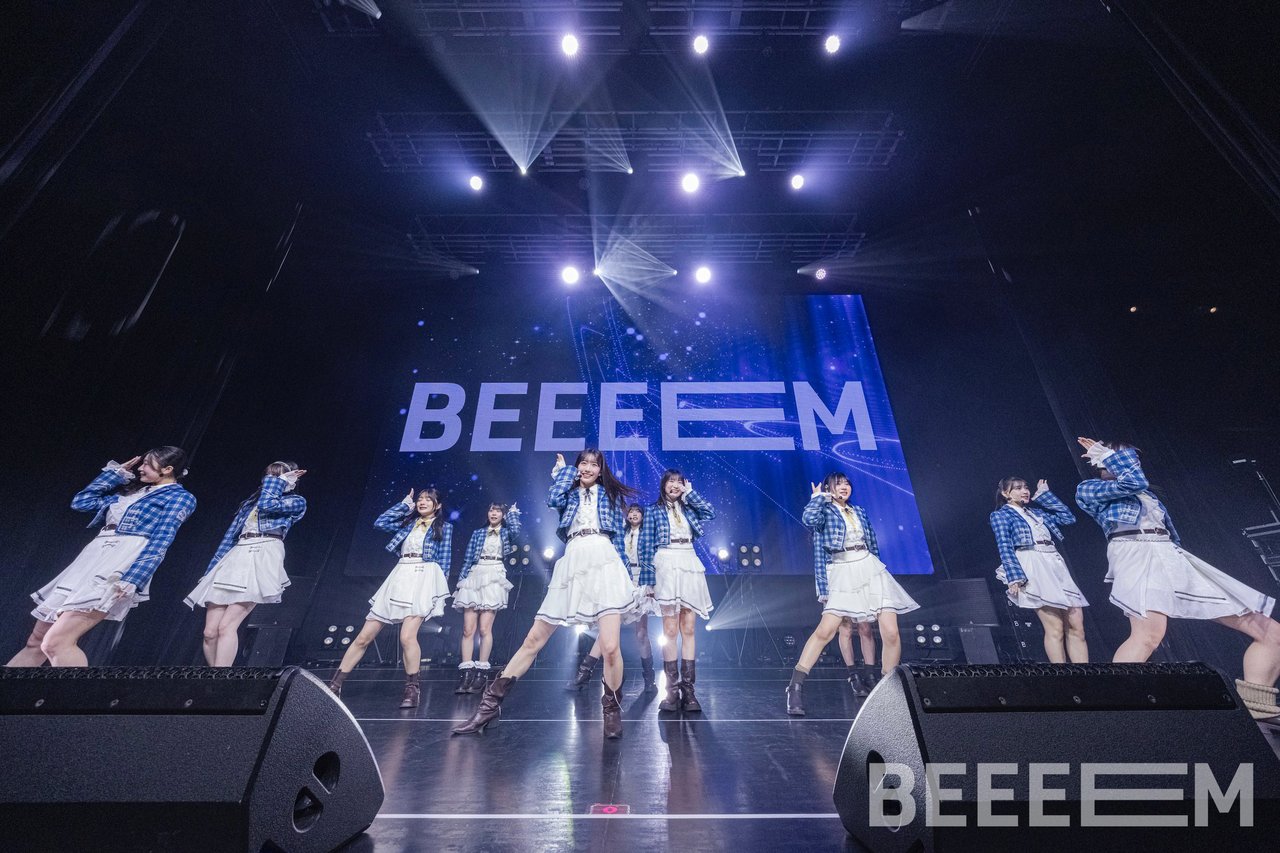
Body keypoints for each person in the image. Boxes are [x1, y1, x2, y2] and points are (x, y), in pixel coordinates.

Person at [1076, 438, 1280, 719]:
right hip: (1135, 552)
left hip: (1169, 554)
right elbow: (1133, 481)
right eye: (1122, 456)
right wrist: (1109, 455)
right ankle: (1118, 709)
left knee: (1271, 633)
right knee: (1148, 636)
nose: (1133, 462)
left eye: (1133, 458)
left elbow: (1163, 522)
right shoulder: (1089, 489)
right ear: (1100, 461)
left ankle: (1256, 710)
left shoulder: (1148, 495)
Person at [453, 450, 639, 739]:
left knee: (611, 646)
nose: (588, 468)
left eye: (594, 464)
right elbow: (553, 500)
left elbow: (617, 539)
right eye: (583, 463)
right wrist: (565, 474)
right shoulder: (567, 492)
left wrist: (628, 576)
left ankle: (612, 709)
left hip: (605, 560)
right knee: (533, 640)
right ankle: (488, 707)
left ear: (601, 470)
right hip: (573, 559)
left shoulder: (609, 496)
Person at [7, 448, 196, 668]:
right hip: (94, 555)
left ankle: (78, 691)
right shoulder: (131, 493)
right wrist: (114, 475)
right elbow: (82, 502)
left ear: (167, 469)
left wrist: (134, 578)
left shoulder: (180, 497)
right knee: (37, 641)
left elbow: (162, 539)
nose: (140, 468)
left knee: (56, 643)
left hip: (121, 560)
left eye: (147, 464)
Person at [785, 472, 918, 716]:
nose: (844, 487)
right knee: (825, 631)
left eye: (846, 483)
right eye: (838, 484)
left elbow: (873, 543)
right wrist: (817, 498)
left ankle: (885, 692)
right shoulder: (824, 510)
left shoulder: (860, 511)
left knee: (891, 631)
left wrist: (879, 569)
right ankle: (795, 686)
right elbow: (808, 519)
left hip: (869, 567)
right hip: (842, 569)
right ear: (829, 489)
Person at [326, 487, 452, 710]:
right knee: (364, 636)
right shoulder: (407, 522)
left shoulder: (444, 527)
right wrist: (404, 505)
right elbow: (380, 523)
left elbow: (445, 561)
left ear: (438, 505)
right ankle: (335, 685)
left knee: (407, 637)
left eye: (428, 499)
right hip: (400, 574)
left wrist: (438, 593)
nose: (422, 502)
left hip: (424, 577)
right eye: (420, 499)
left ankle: (412, 689)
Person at [185, 462, 306, 666]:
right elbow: (229, 538)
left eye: (278, 476)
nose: (271, 480)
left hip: (263, 551)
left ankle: (219, 680)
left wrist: (279, 483)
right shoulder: (250, 503)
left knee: (226, 627)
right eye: (269, 476)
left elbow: (268, 505)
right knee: (210, 632)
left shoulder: (296, 501)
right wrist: (210, 570)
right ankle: (211, 678)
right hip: (237, 553)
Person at [640, 470, 716, 713]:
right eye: (671, 481)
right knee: (670, 630)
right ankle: (671, 692)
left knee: (689, 628)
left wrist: (690, 494)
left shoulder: (689, 507)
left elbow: (710, 512)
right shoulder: (653, 510)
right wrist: (648, 580)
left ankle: (689, 691)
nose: (675, 485)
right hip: (665, 561)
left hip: (688, 560)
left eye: (679, 482)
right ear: (663, 485)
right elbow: (645, 545)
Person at [989, 476, 1088, 663]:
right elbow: (1004, 546)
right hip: (1032, 563)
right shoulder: (1001, 515)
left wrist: (1044, 496)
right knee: (1055, 628)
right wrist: (1014, 576)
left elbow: (1068, 518)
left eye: (1026, 487)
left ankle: (1085, 673)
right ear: (1005, 493)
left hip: (1054, 561)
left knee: (1077, 626)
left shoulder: (1036, 513)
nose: (1024, 491)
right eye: (1018, 488)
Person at [566, 504, 658, 693]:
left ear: (643, 515)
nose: (634, 514)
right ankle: (583, 674)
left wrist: (651, 583)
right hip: (621, 579)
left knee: (641, 633)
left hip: (641, 581)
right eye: (631, 511)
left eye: (637, 511)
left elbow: (653, 557)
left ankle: (649, 679)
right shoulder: (619, 533)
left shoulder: (648, 533)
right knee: (607, 630)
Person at [453, 501, 522, 694]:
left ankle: (481, 674)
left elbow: (516, 530)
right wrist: (461, 581)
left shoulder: (506, 532)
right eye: (491, 509)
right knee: (468, 629)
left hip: (495, 574)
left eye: (498, 511)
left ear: (503, 515)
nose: (494, 513)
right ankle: (466, 674)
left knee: (484, 628)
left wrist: (513, 514)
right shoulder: (477, 533)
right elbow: (468, 558)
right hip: (475, 573)